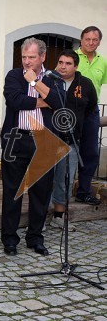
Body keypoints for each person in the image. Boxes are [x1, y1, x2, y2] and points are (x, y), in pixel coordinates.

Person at [0, 37, 64, 257]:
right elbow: (15, 101)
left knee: (41, 192)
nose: (27, 61)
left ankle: (35, 238)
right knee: (12, 192)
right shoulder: (14, 76)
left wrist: (36, 84)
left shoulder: (53, 78)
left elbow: (60, 102)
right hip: (17, 138)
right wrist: (44, 100)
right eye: (24, 57)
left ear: (43, 57)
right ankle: (10, 239)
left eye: (32, 57)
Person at [50, 49, 97, 230]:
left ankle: (58, 217)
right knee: (45, 179)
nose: (63, 66)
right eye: (61, 62)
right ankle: (38, 218)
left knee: (65, 180)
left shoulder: (85, 84)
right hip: (48, 139)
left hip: (71, 141)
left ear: (76, 66)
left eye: (68, 63)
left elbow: (91, 107)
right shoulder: (50, 81)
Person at [74, 26, 107, 205]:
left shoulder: (103, 61)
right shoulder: (71, 58)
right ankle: (59, 195)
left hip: (92, 111)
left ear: (99, 42)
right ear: (81, 40)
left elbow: (101, 83)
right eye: (87, 39)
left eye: (95, 40)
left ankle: (84, 191)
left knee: (91, 153)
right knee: (66, 151)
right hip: (71, 111)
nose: (91, 43)